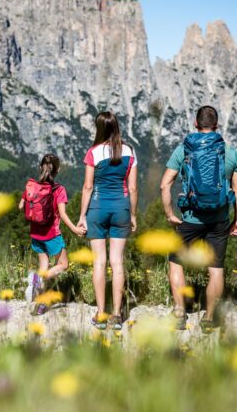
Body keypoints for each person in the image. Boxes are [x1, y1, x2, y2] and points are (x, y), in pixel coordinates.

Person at [160, 105, 237, 331]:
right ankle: (208, 319)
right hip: (219, 220)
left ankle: (179, 313)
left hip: (190, 218)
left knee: (176, 262)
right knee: (216, 269)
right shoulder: (231, 152)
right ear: (216, 126)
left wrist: (170, 214)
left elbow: (164, 184)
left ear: (195, 124)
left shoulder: (184, 149)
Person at [77, 112, 138, 331]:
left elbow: (87, 187)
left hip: (97, 209)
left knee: (99, 263)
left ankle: (101, 313)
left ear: (99, 128)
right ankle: (116, 315)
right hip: (121, 208)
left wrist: (82, 216)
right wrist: (132, 215)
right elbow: (132, 188)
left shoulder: (93, 152)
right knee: (117, 262)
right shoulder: (130, 151)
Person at [19, 153, 84, 315]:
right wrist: (75, 229)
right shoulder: (58, 189)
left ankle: (40, 304)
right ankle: (37, 280)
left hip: (35, 234)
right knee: (63, 265)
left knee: (44, 267)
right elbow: (62, 214)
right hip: (52, 235)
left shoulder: (31, 185)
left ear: (40, 167)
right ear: (58, 170)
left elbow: (21, 206)